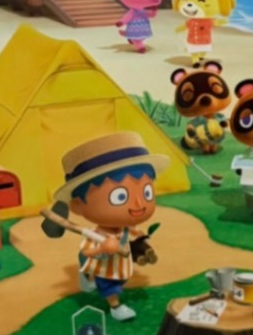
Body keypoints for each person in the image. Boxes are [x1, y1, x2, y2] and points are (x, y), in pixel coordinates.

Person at [53, 131, 167, 322]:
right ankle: (115, 307)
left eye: (147, 192)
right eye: (120, 197)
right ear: (78, 206)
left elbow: (132, 234)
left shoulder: (125, 228)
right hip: (105, 267)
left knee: (120, 279)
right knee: (109, 285)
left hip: (121, 265)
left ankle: (87, 275)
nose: (138, 204)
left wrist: (139, 237)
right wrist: (102, 248)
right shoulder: (96, 234)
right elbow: (87, 251)